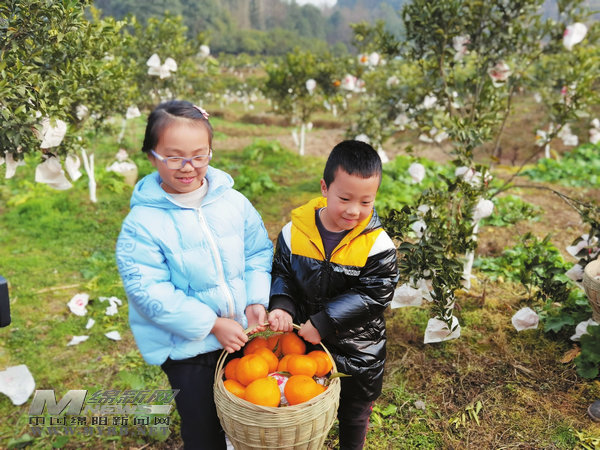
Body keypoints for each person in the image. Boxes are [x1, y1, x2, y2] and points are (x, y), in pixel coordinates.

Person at [115, 100, 273, 449]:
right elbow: (149, 293)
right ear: (152, 156)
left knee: (242, 412)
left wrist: (255, 300)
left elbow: (257, 252)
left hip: (238, 334)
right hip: (186, 346)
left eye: (199, 156)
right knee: (203, 426)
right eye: (174, 157)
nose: (188, 167)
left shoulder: (233, 203)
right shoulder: (142, 224)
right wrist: (211, 324)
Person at [268, 140, 399, 450]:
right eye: (344, 198)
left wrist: (324, 322)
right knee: (301, 404)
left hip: (358, 348)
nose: (354, 210)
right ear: (325, 188)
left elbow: (374, 294)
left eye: (366, 201)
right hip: (303, 343)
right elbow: (282, 274)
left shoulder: (377, 244)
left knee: (354, 413)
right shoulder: (294, 233)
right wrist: (283, 305)